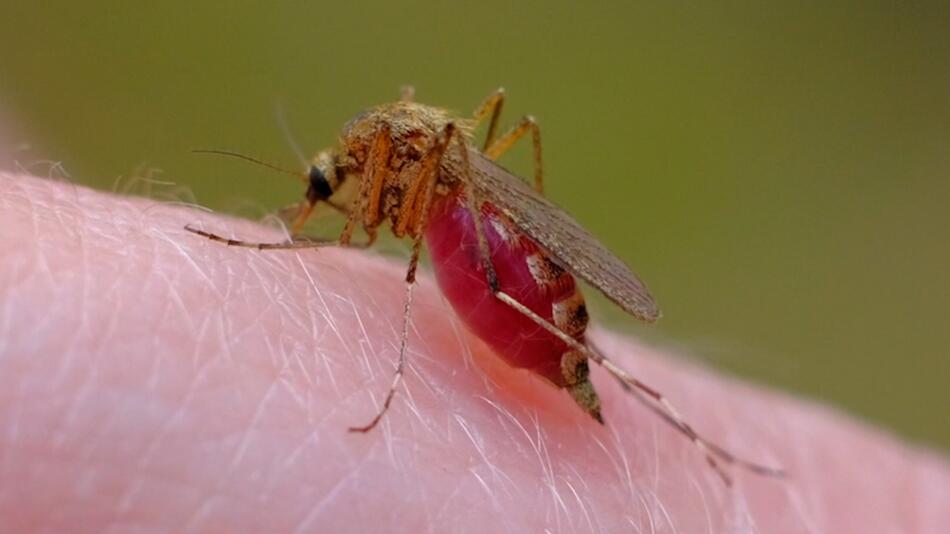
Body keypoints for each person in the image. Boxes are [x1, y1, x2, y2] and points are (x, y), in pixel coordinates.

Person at [1, 171, 947, 533]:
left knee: (478, 279)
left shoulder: (407, 177)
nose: (327, 198)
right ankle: (622, 383)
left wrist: (395, 372)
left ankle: (646, 403)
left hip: (491, 239)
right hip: (491, 221)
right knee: (477, 269)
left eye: (324, 189)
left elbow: (407, 257)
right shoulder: (393, 165)